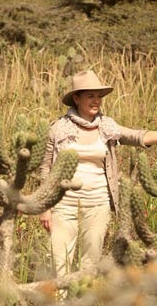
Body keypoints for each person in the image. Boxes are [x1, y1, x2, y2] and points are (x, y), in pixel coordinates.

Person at [38, 70, 157, 277]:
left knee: (90, 262)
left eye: (99, 96)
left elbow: (137, 136)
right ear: (76, 98)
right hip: (63, 203)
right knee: (58, 261)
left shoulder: (107, 126)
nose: (96, 101)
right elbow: (45, 168)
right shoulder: (58, 128)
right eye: (90, 96)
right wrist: (44, 207)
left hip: (98, 202)